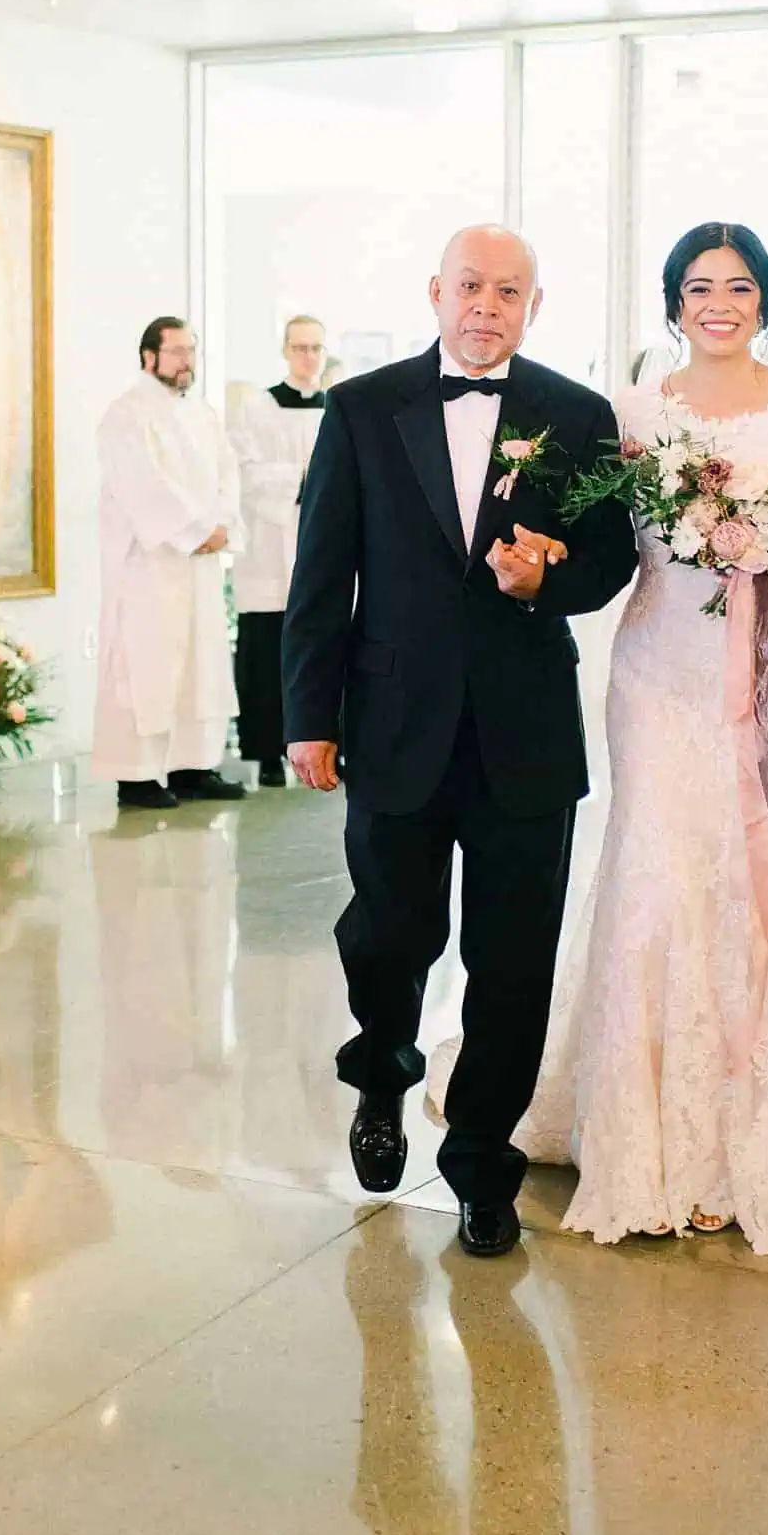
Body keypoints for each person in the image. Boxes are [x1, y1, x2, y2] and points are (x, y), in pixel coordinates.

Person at [510, 221, 768, 1255]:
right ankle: (649, 1134)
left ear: (766, 301)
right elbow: (605, 541)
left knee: (760, 864)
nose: (718, 302)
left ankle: (757, 1128)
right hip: (658, 665)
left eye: (738, 286)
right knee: (659, 865)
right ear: (670, 302)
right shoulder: (632, 413)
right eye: (698, 285)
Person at [282, 225, 637, 1258]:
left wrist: (547, 581)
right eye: (471, 285)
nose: (488, 304)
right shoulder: (360, 407)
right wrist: (308, 717)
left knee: (512, 961)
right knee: (389, 934)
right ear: (435, 291)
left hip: (524, 731)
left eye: (510, 290)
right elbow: (320, 574)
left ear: (535, 304)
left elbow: (610, 558)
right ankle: (383, 1072)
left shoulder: (576, 415)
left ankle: (483, 1160)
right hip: (392, 724)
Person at [92, 317, 247, 812]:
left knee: (200, 667)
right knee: (145, 666)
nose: (186, 361)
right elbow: (144, 485)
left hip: (198, 567)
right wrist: (196, 532)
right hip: (150, 566)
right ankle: (135, 777)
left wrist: (220, 526)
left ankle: (192, 767)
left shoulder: (202, 414)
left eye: (191, 351)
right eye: (177, 351)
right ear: (148, 357)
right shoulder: (126, 415)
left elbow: (228, 472)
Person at [230, 314, 328, 785]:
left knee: (328, 650)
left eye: (316, 348)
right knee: (268, 653)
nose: (308, 357)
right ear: (286, 351)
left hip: (321, 543)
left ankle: (335, 746)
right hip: (272, 545)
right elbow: (245, 471)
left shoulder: (340, 409)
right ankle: (268, 753)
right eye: (300, 348)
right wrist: (304, 482)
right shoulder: (259, 408)